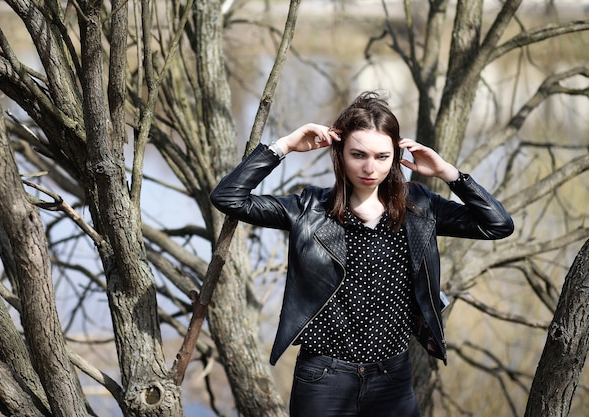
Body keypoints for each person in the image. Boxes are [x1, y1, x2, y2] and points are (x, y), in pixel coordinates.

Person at [210, 91, 514, 417]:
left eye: (382, 157)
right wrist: (283, 146)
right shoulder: (309, 209)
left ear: (395, 157)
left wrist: (449, 174)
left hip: (392, 378)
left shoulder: (420, 207)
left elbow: (497, 225)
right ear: (339, 154)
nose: (370, 167)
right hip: (323, 377)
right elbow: (229, 198)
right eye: (358, 154)